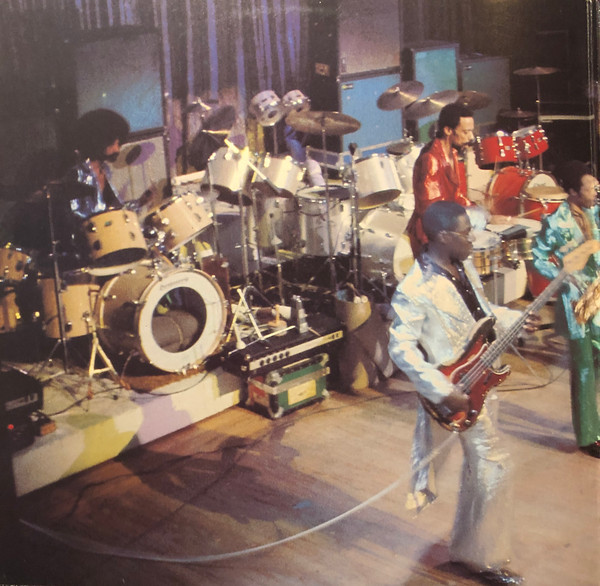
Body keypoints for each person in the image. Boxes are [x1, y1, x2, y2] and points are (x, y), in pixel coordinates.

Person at [389, 201, 531, 585]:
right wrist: (441, 390)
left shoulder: (462, 266)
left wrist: (515, 319)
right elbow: (401, 348)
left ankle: (471, 550)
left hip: (480, 381)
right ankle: (486, 560)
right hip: (455, 391)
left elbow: (481, 314)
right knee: (495, 465)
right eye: (466, 234)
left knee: (481, 468)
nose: (473, 240)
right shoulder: (415, 289)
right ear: (442, 236)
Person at [530, 160, 600, 458]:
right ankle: (588, 436)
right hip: (577, 302)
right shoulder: (556, 221)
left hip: (599, 294)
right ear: (572, 192)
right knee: (584, 368)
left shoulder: (595, 212)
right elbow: (538, 256)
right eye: (591, 188)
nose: (596, 192)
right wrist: (564, 278)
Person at [407, 103, 488, 258]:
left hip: (449, 228)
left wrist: (480, 211)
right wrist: (466, 220)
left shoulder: (452, 153)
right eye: (465, 132)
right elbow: (430, 211)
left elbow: (456, 195)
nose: (471, 137)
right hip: (431, 237)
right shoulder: (430, 159)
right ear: (448, 130)